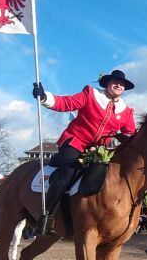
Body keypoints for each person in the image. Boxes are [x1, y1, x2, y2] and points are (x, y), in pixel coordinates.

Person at [32, 69, 137, 234]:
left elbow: (130, 133)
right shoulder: (90, 94)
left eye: (122, 84)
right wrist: (45, 97)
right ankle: (46, 217)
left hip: (98, 151)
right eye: (115, 82)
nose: (119, 85)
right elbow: (67, 103)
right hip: (75, 141)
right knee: (67, 174)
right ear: (108, 84)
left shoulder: (126, 112)